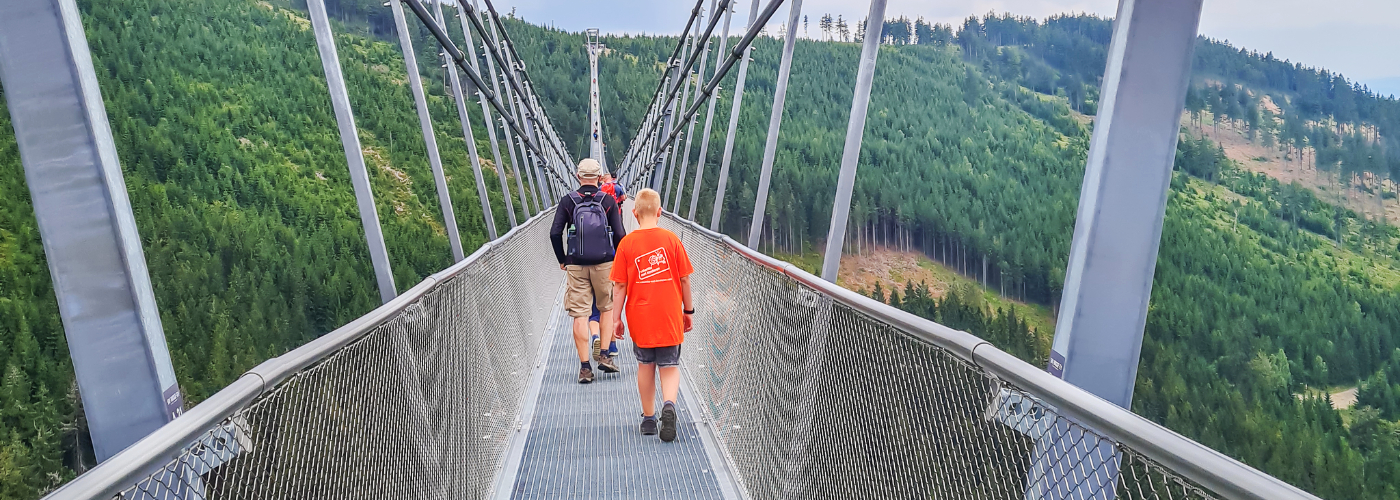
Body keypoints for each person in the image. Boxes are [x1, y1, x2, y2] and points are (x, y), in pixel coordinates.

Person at [610, 188, 694, 442]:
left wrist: (615, 319)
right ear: (659, 212)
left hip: (640, 317)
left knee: (645, 365)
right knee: (669, 366)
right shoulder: (671, 240)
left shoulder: (626, 245)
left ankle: (648, 419)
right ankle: (669, 406)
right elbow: (685, 280)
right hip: (669, 315)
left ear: (634, 214)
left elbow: (620, 286)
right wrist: (687, 311)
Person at [551, 158, 627, 383]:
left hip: (576, 263)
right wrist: (618, 260)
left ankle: (585, 368)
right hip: (605, 262)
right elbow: (620, 234)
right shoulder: (607, 200)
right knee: (606, 308)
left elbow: (555, 233)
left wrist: (563, 259)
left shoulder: (568, 201)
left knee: (580, 315)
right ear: (599, 177)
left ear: (577, 176)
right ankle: (604, 355)